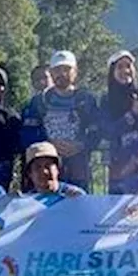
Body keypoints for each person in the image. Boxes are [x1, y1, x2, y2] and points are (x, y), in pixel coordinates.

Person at [21, 51, 100, 190]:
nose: (61, 73)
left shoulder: (86, 100)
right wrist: (49, 144)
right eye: (57, 69)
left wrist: (81, 145)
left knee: (77, 205)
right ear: (51, 72)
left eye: (66, 69)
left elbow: (97, 130)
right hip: (45, 170)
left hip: (78, 168)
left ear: (75, 72)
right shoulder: (39, 101)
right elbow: (28, 133)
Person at [101, 51, 138, 193]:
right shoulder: (107, 99)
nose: (125, 71)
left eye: (129, 66)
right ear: (112, 72)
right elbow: (107, 131)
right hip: (119, 165)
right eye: (120, 67)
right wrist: (132, 115)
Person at [22, 141, 87, 198]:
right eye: (38, 167)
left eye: (48, 166)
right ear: (30, 173)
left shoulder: (75, 195)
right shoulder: (27, 203)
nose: (44, 172)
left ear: (57, 169)